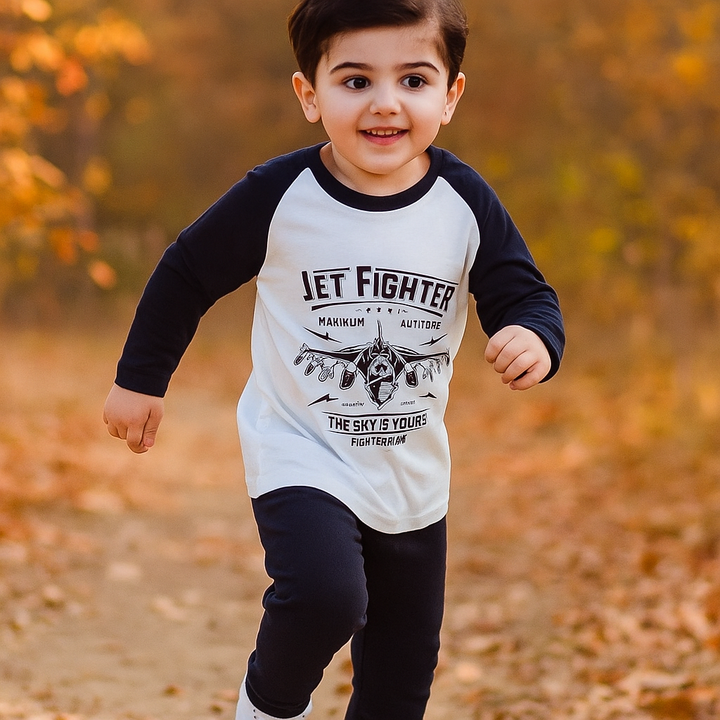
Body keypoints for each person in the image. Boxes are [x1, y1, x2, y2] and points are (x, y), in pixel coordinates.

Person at [103, 0, 565, 718]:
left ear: (451, 95)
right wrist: (140, 380)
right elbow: (186, 273)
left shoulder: (463, 201)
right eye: (355, 81)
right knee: (325, 597)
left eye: (413, 80)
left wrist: (533, 337)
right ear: (309, 94)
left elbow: (524, 293)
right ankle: (265, 708)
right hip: (301, 449)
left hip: (411, 473)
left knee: (402, 674)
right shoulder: (278, 195)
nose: (385, 103)